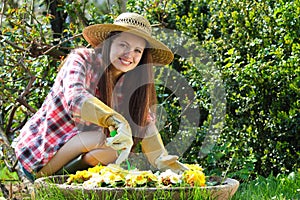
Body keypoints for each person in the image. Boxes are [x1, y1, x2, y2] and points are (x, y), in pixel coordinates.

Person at [14, 12, 187, 182]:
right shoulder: (82, 59)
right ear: (109, 42)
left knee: (115, 150)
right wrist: (114, 120)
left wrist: (164, 161)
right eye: (123, 45)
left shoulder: (132, 82)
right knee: (103, 139)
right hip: (38, 155)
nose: (129, 55)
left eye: (137, 50)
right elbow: (75, 98)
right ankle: (44, 180)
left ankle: (68, 182)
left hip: (77, 153)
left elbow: (145, 122)